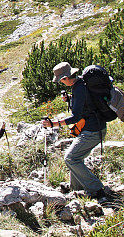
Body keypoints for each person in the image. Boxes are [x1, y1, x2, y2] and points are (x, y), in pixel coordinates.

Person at [42, 62, 108, 200]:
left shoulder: (78, 89)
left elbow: (75, 117)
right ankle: (76, 188)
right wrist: (70, 100)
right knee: (76, 157)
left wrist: (53, 124)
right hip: (98, 127)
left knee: (71, 158)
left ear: (65, 78)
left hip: (92, 131)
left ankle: (96, 189)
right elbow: (86, 104)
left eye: (61, 80)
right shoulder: (82, 84)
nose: (61, 83)